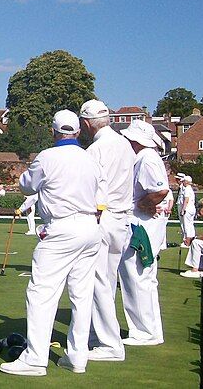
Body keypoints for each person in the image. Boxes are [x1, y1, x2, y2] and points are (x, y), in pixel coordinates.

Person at [0, 110, 103, 377]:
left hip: (62, 228)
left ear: (53, 131)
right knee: (82, 294)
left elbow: (26, 187)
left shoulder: (46, 157)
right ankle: (77, 356)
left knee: (41, 293)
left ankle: (35, 359)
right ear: (78, 131)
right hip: (90, 228)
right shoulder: (90, 158)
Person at [77, 99, 134, 362]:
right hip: (122, 219)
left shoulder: (95, 150)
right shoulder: (125, 144)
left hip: (104, 218)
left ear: (86, 123)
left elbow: (89, 190)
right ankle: (97, 335)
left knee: (98, 282)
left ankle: (110, 345)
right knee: (107, 282)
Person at [118, 119, 170, 347]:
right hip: (142, 225)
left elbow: (160, 190)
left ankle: (144, 332)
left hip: (141, 227)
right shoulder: (145, 158)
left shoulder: (147, 159)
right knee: (141, 278)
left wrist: (143, 204)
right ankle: (148, 330)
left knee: (137, 277)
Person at [179, 175, 196, 246]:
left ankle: (187, 242)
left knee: (186, 225)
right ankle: (192, 240)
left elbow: (186, 200)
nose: (183, 182)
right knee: (190, 224)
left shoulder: (187, 189)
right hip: (192, 209)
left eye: (184, 181)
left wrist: (183, 209)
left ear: (187, 182)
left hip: (187, 209)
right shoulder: (190, 189)